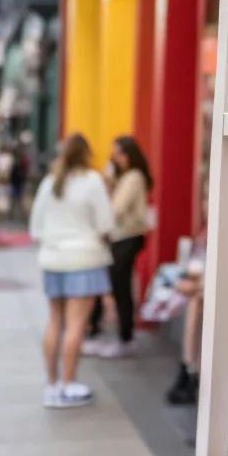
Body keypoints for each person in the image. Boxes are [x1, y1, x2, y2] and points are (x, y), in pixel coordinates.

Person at [29, 132, 114, 409]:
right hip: (84, 258)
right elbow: (105, 224)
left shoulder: (50, 182)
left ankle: (52, 384)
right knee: (76, 324)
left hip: (53, 258)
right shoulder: (92, 182)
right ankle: (68, 383)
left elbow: (36, 227)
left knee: (54, 320)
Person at [84, 135, 151, 359]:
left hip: (127, 236)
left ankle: (125, 336)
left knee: (119, 287)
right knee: (117, 285)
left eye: (118, 153)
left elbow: (117, 209)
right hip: (122, 236)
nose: (115, 158)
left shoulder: (133, 177)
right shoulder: (126, 177)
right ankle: (120, 333)